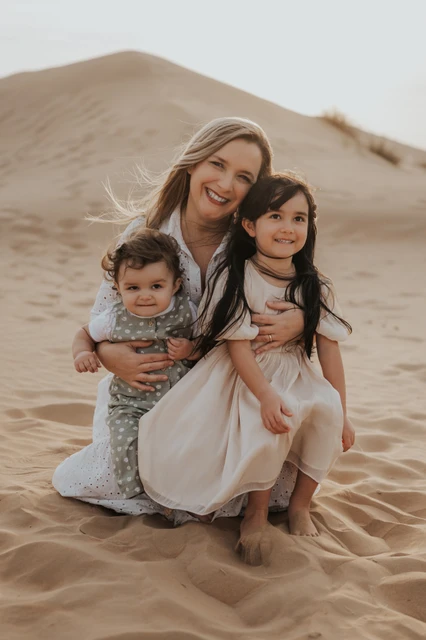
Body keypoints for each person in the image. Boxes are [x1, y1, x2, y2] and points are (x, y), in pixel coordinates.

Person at [52, 117, 304, 522]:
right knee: (116, 476)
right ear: (194, 163)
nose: (225, 184)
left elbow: (304, 292)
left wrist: (300, 321)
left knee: (263, 481)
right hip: (150, 391)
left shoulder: (255, 242)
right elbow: (104, 315)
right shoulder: (145, 233)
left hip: (227, 388)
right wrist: (106, 353)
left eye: (243, 177)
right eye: (217, 165)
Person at [137, 173, 355, 564]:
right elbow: (238, 346)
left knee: (327, 411)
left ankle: (300, 504)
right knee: (270, 420)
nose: (288, 227)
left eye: (299, 218)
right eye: (276, 216)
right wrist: (267, 396)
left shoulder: (315, 286)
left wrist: (344, 412)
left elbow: (329, 350)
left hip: (295, 371)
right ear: (251, 225)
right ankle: (255, 513)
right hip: (246, 375)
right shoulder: (237, 275)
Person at [72, 228, 199, 497]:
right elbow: (84, 333)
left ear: (175, 285)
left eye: (156, 286)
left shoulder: (187, 311)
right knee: (125, 444)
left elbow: (210, 343)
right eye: (133, 287)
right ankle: (140, 495)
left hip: (178, 401)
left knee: (185, 446)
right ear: (117, 288)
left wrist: (190, 348)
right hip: (129, 402)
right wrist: (83, 353)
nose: (145, 295)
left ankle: (179, 494)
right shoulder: (114, 318)